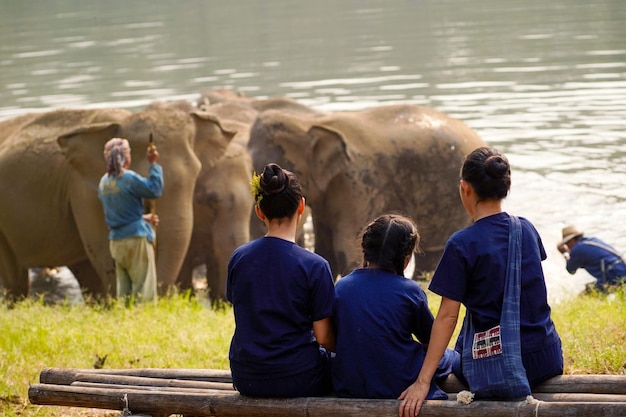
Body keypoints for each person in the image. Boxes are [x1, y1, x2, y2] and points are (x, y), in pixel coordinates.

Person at [398, 147, 563, 417]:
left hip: (502, 365)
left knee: (458, 358)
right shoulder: (526, 228)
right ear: (506, 187)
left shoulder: (462, 243)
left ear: (465, 189)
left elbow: (447, 318)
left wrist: (422, 381)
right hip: (546, 356)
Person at [226, 162, 335, 397]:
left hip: (246, 377)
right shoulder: (315, 266)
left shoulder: (239, 258)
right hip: (298, 377)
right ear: (301, 207)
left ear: (259, 211)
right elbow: (324, 337)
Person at [333, 214, 456, 400]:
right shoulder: (409, 291)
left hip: (350, 383)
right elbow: (431, 341)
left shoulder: (341, 287)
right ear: (406, 259)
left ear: (364, 249)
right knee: (450, 356)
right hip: (399, 383)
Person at [98, 138, 162, 305]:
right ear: (126, 158)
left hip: (116, 242)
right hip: (136, 240)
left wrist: (142, 218)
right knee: (143, 289)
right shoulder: (129, 178)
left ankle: (125, 322)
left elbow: (115, 214)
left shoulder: (104, 182)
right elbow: (154, 190)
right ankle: (144, 325)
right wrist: (153, 164)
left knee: (124, 292)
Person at [557, 225, 626, 291]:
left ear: (571, 241)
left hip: (613, 275)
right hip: (622, 268)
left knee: (583, 297)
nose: (567, 246)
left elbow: (571, 270)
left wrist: (565, 253)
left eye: (566, 244)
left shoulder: (577, 250)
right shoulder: (593, 240)